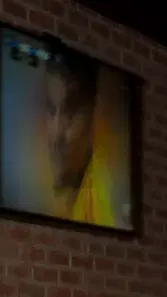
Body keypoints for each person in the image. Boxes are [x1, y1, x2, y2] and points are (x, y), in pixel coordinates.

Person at [42, 51, 116, 227]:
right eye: (50, 108)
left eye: (71, 110)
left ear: (95, 113)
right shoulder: (37, 195)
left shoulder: (108, 209)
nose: (56, 132)